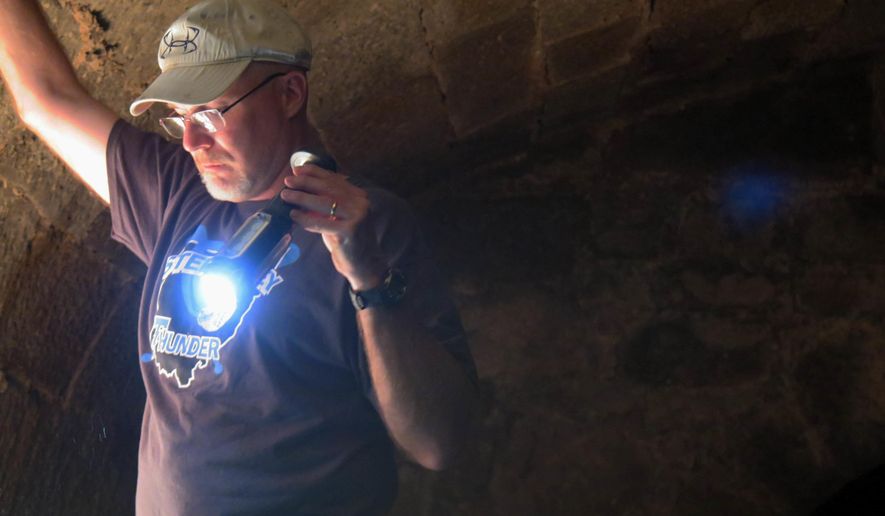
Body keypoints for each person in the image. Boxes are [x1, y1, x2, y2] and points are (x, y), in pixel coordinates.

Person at [0, 0, 479, 514]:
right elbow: (45, 98)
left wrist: (369, 278)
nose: (191, 141)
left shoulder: (372, 224)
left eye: (209, 112)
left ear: (290, 93)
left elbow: (437, 442)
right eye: (179, 118)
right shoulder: (177, 193)